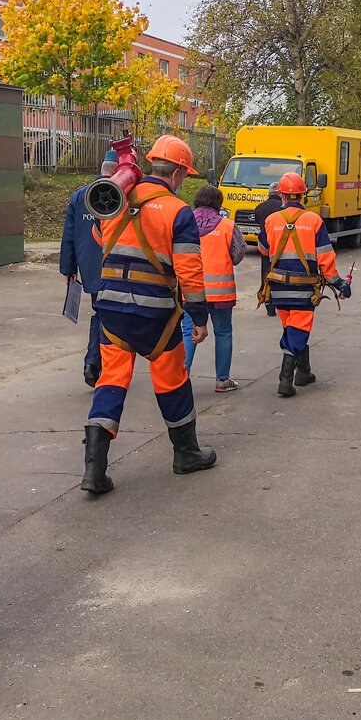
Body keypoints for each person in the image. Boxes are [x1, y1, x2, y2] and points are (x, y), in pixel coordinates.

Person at [80, 134, 218, 495]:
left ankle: (94, 470)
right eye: (184, 176)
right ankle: (186, 454)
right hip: (156, 314)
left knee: (111, 381)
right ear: (177, 174)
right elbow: (189, 271)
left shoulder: (117, 198)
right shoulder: (178, 211)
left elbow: (100, 237)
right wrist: (200, 318)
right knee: (172, 380)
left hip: (110, 309)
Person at [257, 171, 351, 398]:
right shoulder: (314, 221)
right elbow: (325, 257)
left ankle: (303, 372)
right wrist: (338, 283)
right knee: (298, 330)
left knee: (292, 327)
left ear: (281, 195)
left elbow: (263, 249)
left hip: (278, 288)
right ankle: (285, 380)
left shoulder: (271, 220)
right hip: (304, 288)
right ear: (303, 195)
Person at [60, 149, 118, 386]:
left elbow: (69, 236)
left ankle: (94, 363)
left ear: (101, 169)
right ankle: (97, 363)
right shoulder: (121, 197)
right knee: (110, 316)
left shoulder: (79, 196)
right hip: (117, 268)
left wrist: (69, 269)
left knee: (100, 313)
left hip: (91, 268)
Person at [181, 185, 246, 392]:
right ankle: (222, 381)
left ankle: (181, 379)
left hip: (191, 291)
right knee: (223, 332)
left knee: (188, 332)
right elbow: (238, 253)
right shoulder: (228, 226)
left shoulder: (184, 224)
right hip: (221, 292)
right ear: (219, 204)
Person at [254, 182, 284, 317]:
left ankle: (268, 304)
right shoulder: (283, 208)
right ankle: (283, 303)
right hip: (282, 246)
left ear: (269, 193)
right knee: (282, 274)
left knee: (266, 275)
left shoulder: (260, 208)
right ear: (280, 193)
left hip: (265, 245)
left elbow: (257, 222)